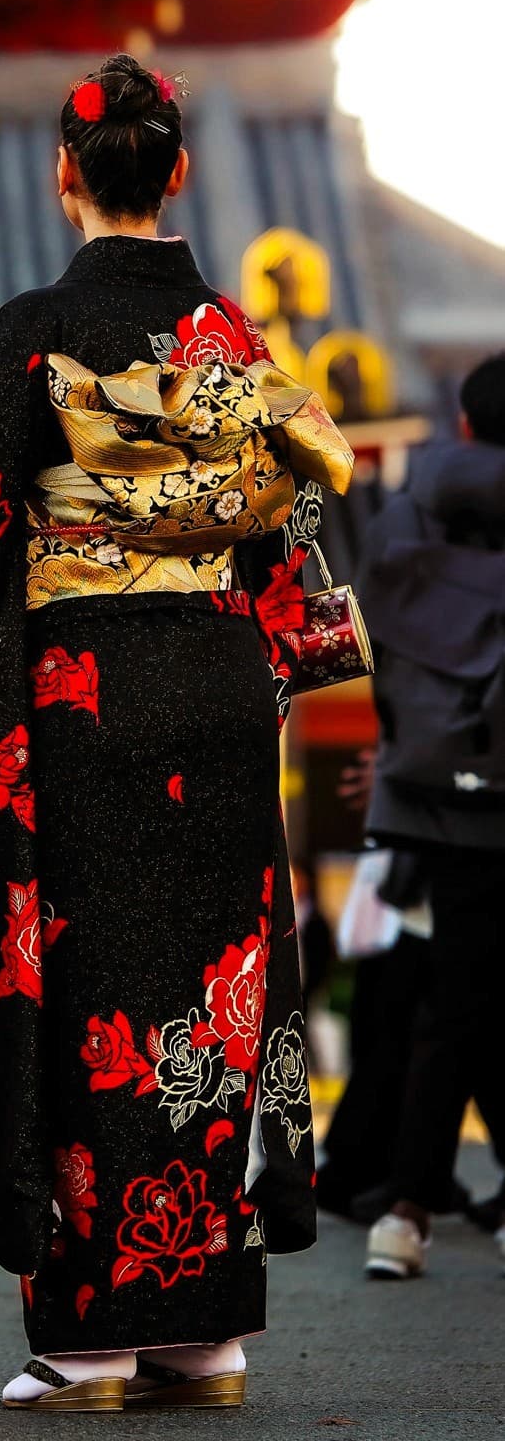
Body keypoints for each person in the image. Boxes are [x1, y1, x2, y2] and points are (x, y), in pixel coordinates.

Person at [0, 56, 353, 1412]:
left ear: (68, 172)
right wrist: (267, 648)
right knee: (212, 991)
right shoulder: (234, 338)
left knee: (87, 991)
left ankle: (95, 1331)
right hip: (217, 685)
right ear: (173, 171)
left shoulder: (38, 324)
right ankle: (200, 1330)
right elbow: (287, 532)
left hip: (82, 689)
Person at [358, 353, 505, 1281]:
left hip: (430, 782)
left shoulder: (406, 513)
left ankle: (402, 1214)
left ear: (460, 425)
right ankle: (413, 1204)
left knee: (451, 1000)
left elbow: (371, 640)